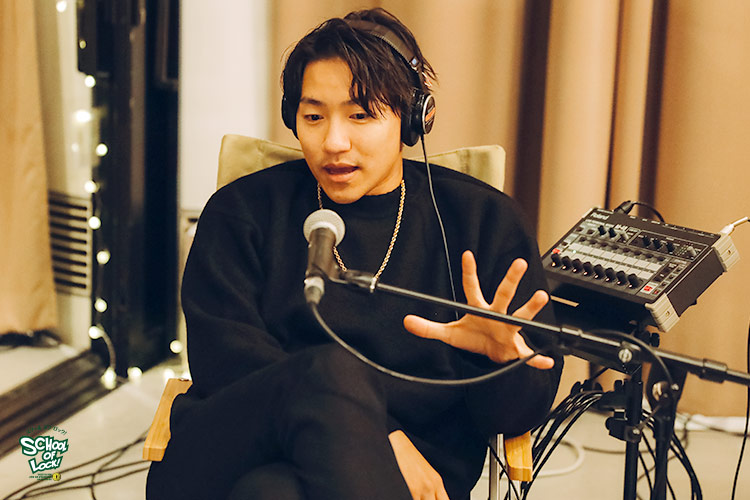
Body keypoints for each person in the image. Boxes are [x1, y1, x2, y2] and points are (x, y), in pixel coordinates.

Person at [146, 7, 562, 500]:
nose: (333, 142)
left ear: (412, 118)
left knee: (272, 493)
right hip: (235, 448)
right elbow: (224, 362)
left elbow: (514, 416)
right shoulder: (243, 211)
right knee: (329, 370)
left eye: (361, 115)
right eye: (313, 117)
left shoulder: (481, 221)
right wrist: (379, 434)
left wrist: (499, 363)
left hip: (404, 479)